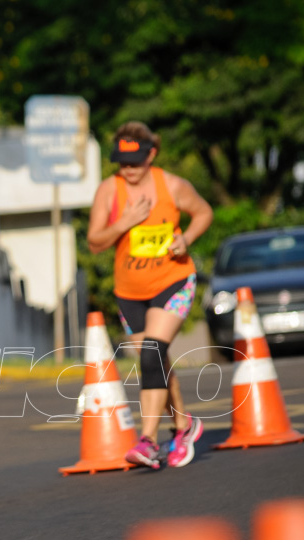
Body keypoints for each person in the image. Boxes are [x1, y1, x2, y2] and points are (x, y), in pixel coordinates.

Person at [87, 121, 213, 469]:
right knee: (155, 359)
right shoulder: (109, 191)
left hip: (173, 280)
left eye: (135, 162)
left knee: (153, 353)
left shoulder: (172, 185)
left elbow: (204, 212)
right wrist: (123, 222)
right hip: (129, 292)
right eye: (121, 162)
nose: (128, 169)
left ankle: (148, 441)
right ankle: (185, 425)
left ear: (151, 154)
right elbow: (95, 243)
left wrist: (186, 239)